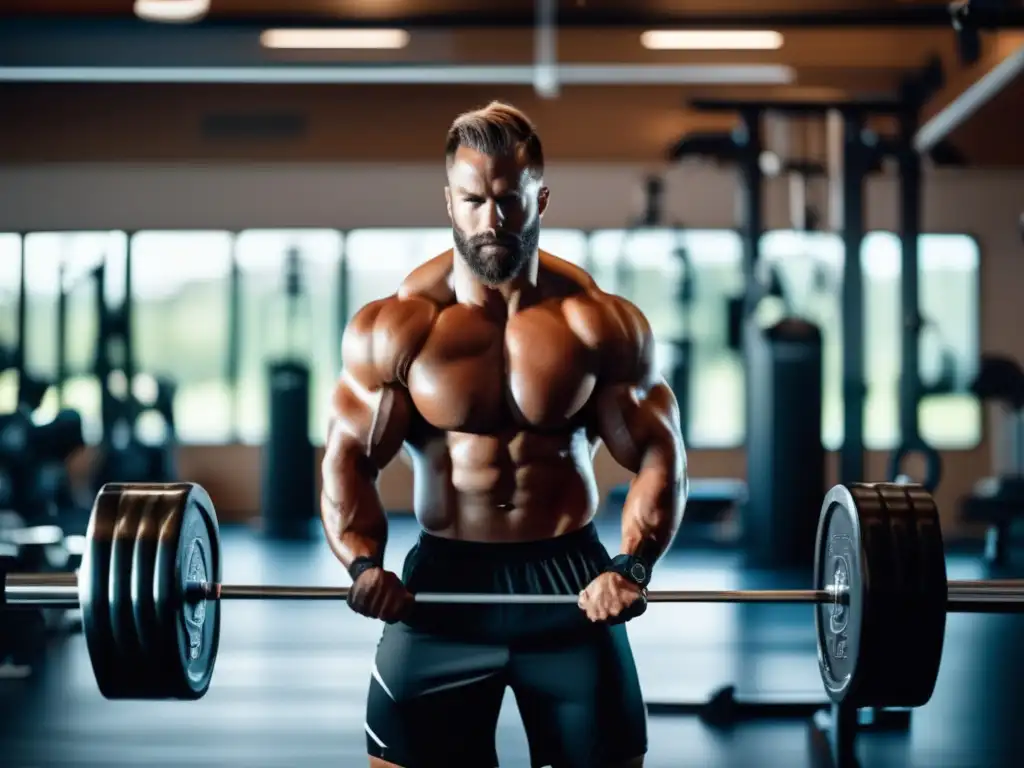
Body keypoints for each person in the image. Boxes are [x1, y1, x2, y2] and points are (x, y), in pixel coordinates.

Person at [320, 101, 688, 768]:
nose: (492, 220)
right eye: (473, 200)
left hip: (573, 587)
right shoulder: (400, 328)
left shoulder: (598, 323)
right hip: (441, 590)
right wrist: (363, 564)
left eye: (509, 201)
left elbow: (660, 452)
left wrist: (632, 567)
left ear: (539, 197)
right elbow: (348, 458)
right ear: (449, 202)